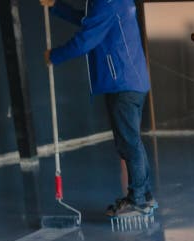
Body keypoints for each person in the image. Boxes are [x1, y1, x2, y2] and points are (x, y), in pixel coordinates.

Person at [41, 0, 156, 217]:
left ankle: (138, 200)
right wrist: (56, 6)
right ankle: (144, 196)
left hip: (123, 82)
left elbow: (85, 40)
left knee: (129, 144)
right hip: (130, 80)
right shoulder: (111, 2)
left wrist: (54, 56)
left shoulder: (107, 3)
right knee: (131, 143)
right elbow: (87, 21)